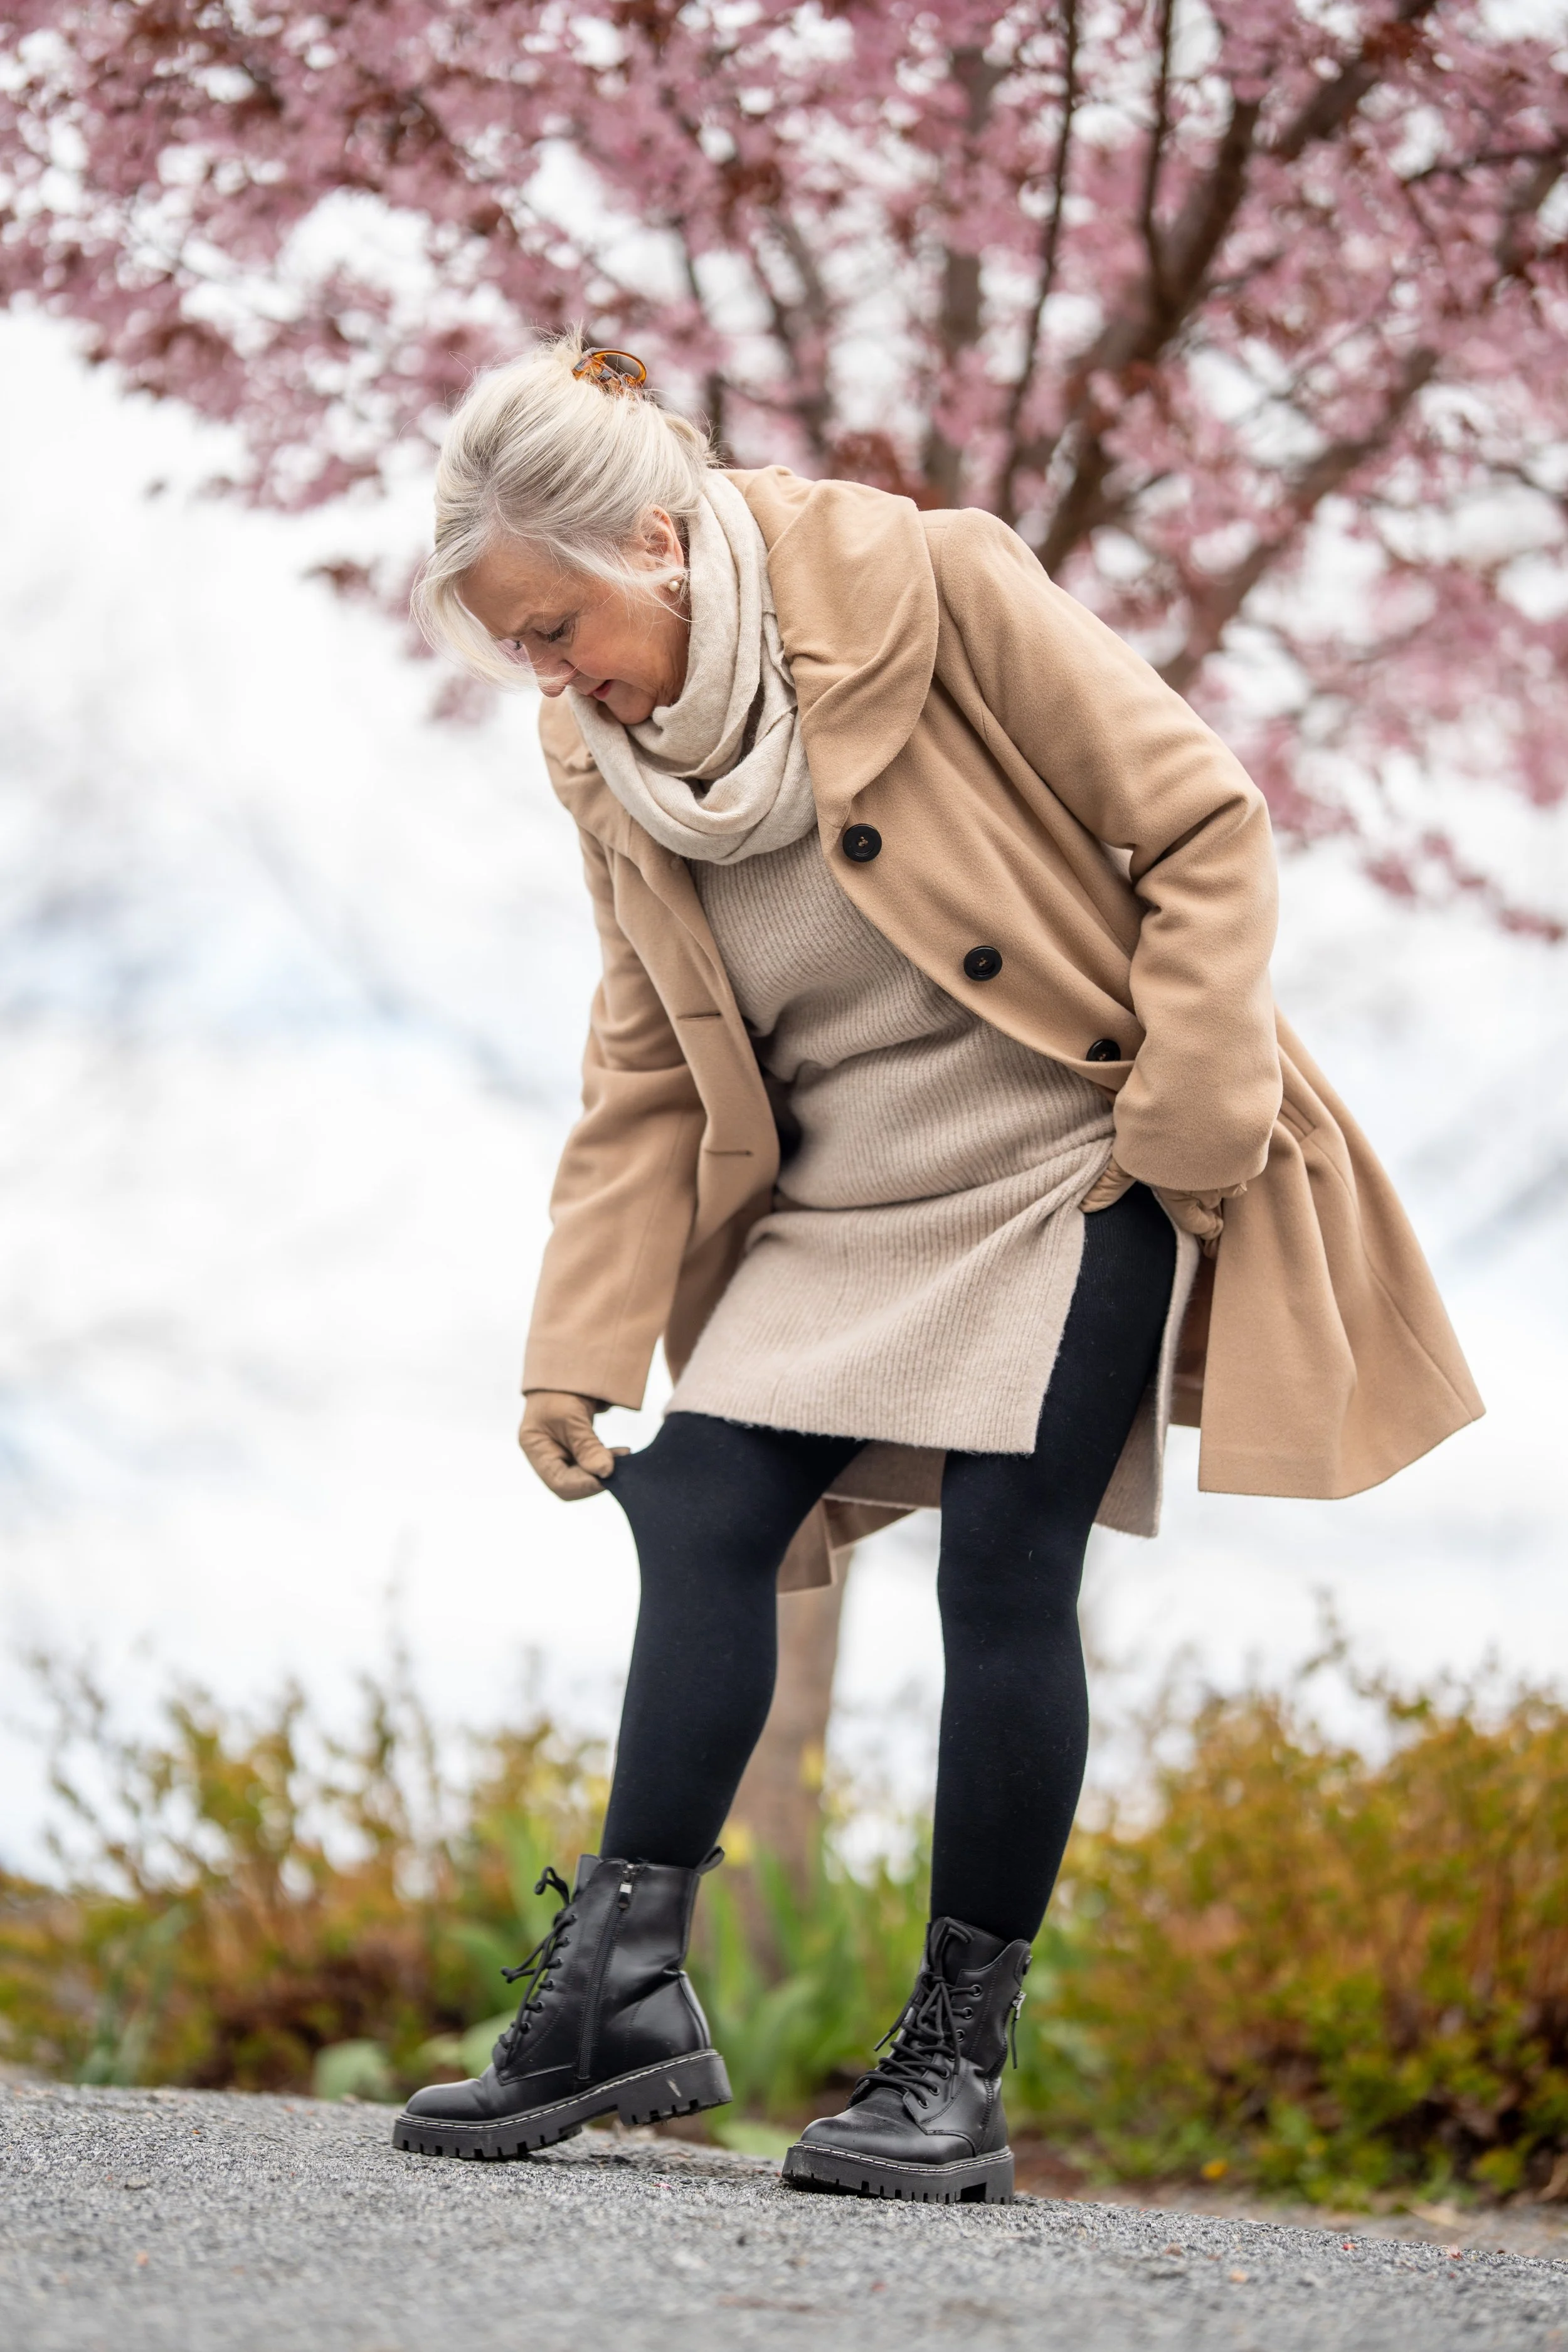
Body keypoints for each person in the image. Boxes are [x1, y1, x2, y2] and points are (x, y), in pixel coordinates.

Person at [390, 337, 1481, 2201]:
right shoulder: (597, 750)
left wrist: (1185, 1118)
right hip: (843, 1189)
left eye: (560, 625)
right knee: (704, 1501)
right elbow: (647, 1044)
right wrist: (572, 1345)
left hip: (1073, 1138)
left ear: (656, 540)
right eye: (517, 649)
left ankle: (950, 2067)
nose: (551, 678)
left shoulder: (928, 578)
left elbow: (1202, 815)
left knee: (1004, 1559)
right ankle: (617, 1996)